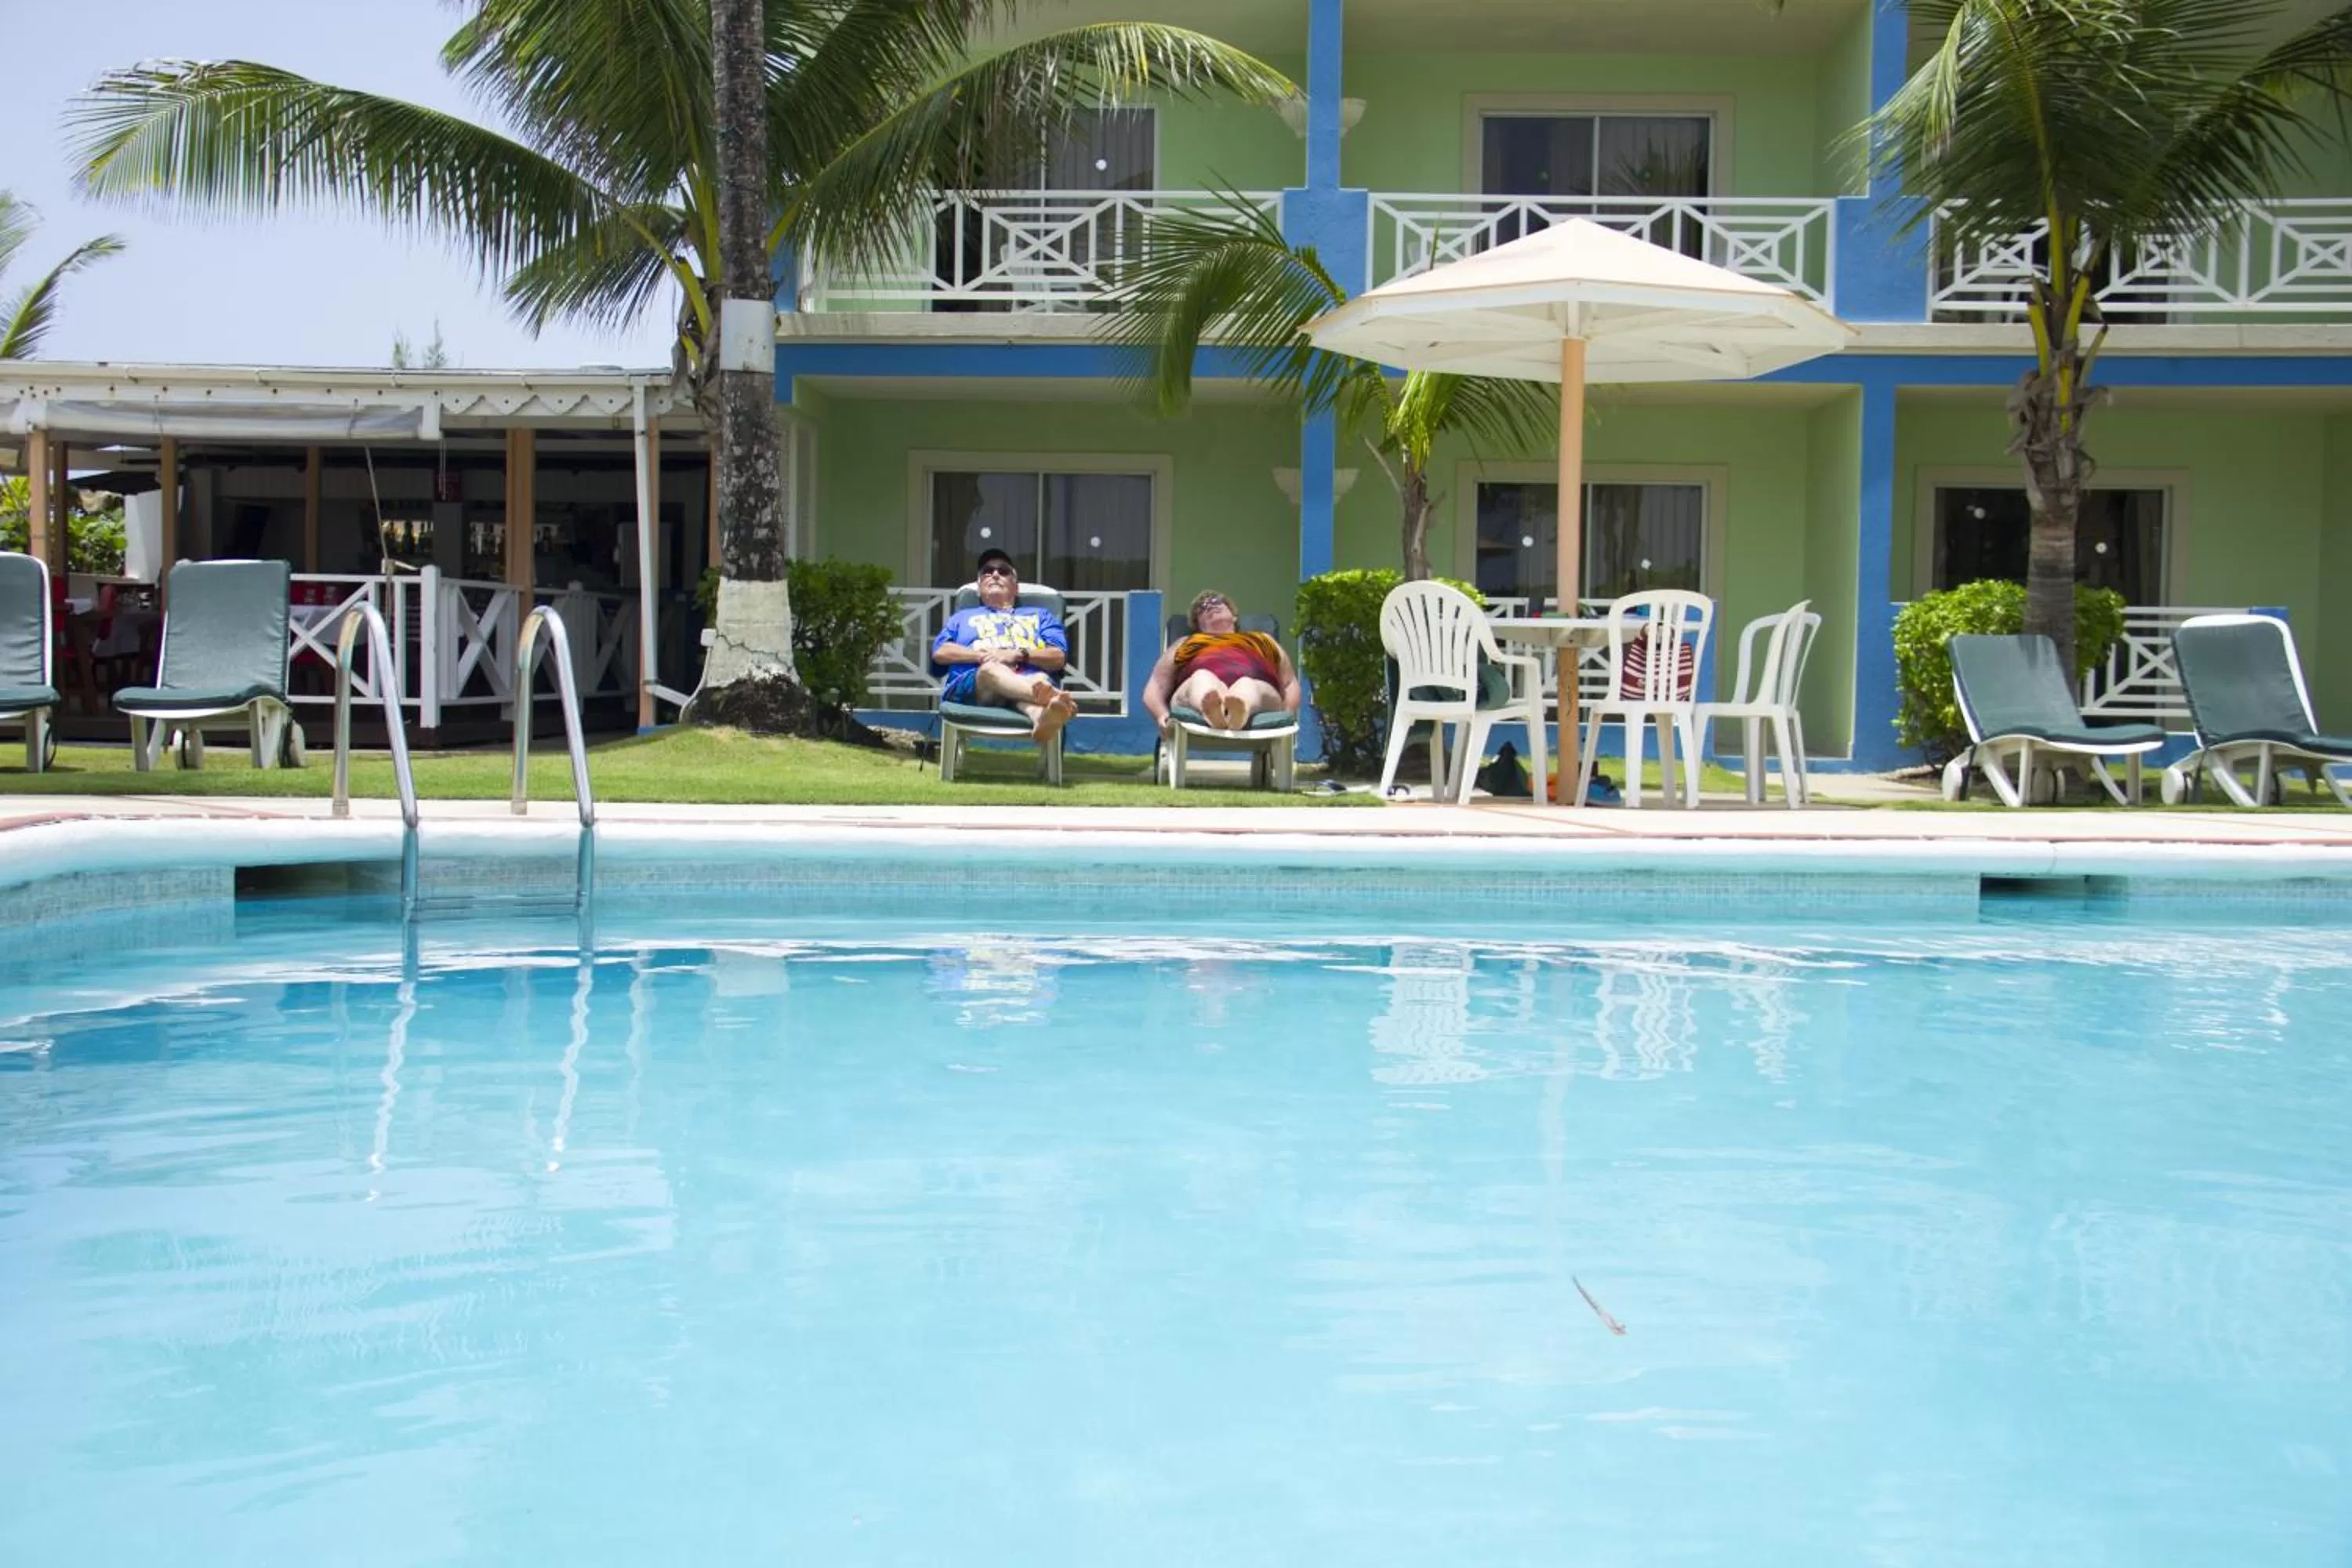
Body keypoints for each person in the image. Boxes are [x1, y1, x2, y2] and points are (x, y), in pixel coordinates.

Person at [929, 549, 1079, 741]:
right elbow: (941, 651)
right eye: (987, 571)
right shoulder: (961, 617)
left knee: (1037, 680)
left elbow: (1058, 657)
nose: (995, 574)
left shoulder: (1041, 615)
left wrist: (1018, 654)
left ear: (1015, 587)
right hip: (976, 686)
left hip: (1025, 680)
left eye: (1003, 571)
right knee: (992, 670)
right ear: (979, 587)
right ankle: (1053, 698)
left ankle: (1041, 717)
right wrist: (983, 655)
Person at [1142, 590, 1301, 732]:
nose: (1210, 606)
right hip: (1195, 689)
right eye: (1202, 608)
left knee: (1247, 684)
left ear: (1234, 615)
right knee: (1202, 677)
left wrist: (1288, 715)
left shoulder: (1262, 639)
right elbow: (1156, 686)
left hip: (1259, 693)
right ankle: (1215, 710)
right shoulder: (1187, 642)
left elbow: (1289, 683)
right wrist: (1161, 715)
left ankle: (1237, 709)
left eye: (1216, 601)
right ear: (1198, 625)